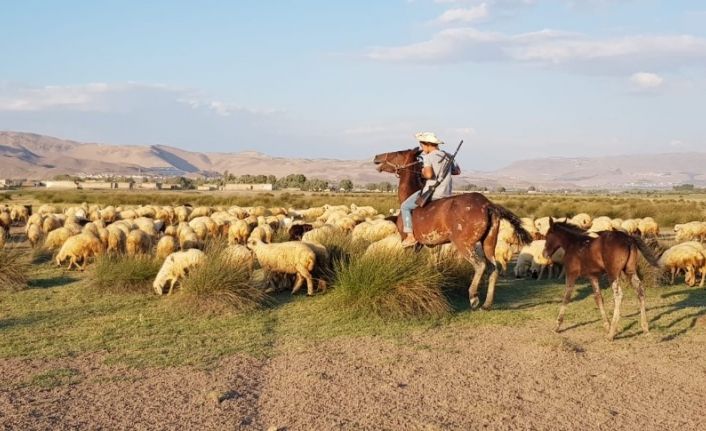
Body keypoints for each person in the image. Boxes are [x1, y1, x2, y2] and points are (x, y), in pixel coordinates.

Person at [400, 131, 461, 247]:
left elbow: (428, 175)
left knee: (405, 206)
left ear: (427, 144)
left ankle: (410, 236)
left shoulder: (428, 157)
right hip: (446, 192)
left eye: (422, 145)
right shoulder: (447, 156)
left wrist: (422, 172)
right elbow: (457, 171)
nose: (422, 149)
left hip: (433, 192)